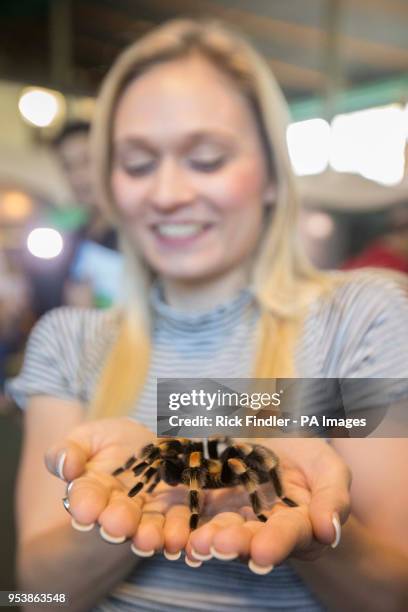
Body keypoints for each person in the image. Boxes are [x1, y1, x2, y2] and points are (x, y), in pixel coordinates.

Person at [6, 18, 408, 612]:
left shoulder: (362, 317)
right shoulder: (68, 340)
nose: (168, 193)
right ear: (113, 183)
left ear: (273, 175)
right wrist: (134, 509)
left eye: (207, 158)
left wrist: (308, 529)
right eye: (139, 164)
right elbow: (34, 595)